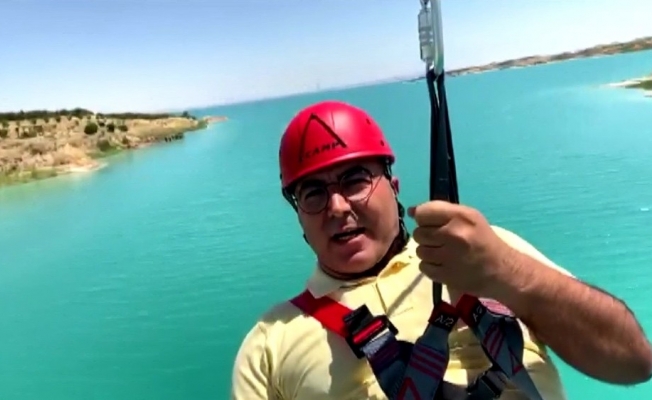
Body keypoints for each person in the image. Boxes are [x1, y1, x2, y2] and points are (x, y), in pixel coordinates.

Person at [230, 100, 652, 400]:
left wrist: (505, 271)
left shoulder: (486, 253)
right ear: (300, 218)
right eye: (313, 194)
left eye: (355, 180)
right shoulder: (270, 344)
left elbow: (633, 360)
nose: (337, 207)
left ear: (394, 188)